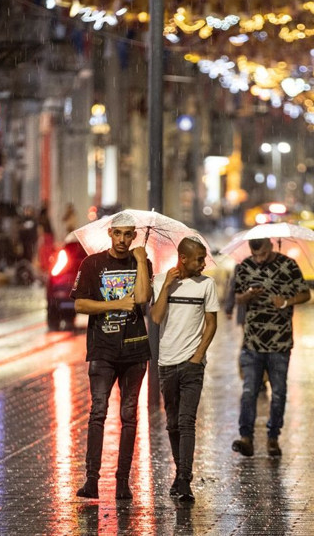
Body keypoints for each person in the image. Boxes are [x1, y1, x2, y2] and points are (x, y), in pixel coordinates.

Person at [71, 211, 152, 500]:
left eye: (128, 234)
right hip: (102, 349)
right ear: (110, 233)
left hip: (135, 349)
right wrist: (113, 304)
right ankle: (91, 480)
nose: (122, 239)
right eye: (117, 233)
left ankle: (122, 482)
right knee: (98, 412)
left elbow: (143, 298)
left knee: (129, 416)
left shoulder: (141, 262)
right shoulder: (92, 263)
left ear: (134, 236)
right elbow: (80, 304)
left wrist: (142, 261)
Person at [150, 237, 219, 502]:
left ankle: (184, 479)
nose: (203, 263)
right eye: (199, 258)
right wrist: (166, 286)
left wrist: (198, 356)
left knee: (186, 421)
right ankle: (180, 475)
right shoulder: (161, 281)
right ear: (183, 258)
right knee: (172, 424)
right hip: (167, 363)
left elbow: (211, 323)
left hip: (192, 365)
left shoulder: (207, 285)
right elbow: (156, 318)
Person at [231, 238, 311, 457]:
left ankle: (273, 437)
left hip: (280, 342)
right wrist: (247, 296)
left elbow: (306, 294)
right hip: (252, 341)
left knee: (279, 392)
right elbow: (237, 297)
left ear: (272, 247)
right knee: (249, 391)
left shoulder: (289, 265)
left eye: (263, 254)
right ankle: (246, 437)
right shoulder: (245, 267)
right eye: (255, 255)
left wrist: (285, 302)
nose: (259, 259)